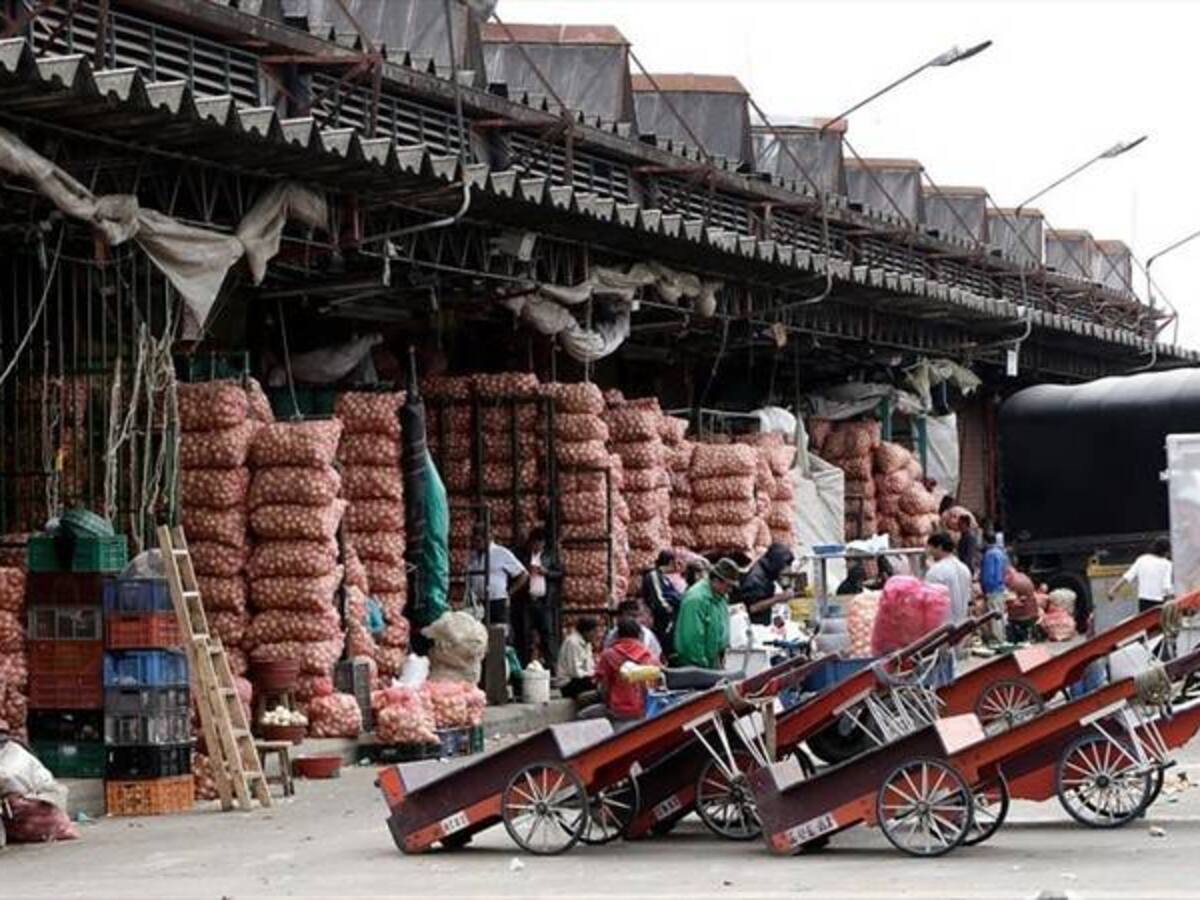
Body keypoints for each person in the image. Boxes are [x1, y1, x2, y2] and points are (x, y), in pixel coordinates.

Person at [673, 558, 744, 669]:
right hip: (696, 665)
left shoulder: (721, 596)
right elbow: (692, 639)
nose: (730, 590)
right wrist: (703, 665)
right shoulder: (696, 600)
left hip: (714, 659)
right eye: (728, 585)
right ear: (716, 580)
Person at [595, 617, 660, 721]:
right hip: (645, 710)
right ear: (639, 635)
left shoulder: (608, 655)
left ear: (617, 635)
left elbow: (604, 686)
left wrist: (607, 703)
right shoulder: (649, 655)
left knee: (583, 715)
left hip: (617, 710)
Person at [467, 524, 528, 628]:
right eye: (475, 541)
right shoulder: (473, 556)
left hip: (497, 601)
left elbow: (523, 574)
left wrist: (508, 593)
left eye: (479, 540)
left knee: (497, 634)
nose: (476, 544)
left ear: (488, 538)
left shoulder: (501, 553)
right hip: (478, 602)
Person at [514, 529, 554, 667]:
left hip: (543, 602)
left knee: (547, 635)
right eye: (535, 544)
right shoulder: (522, 555)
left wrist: (546, 572)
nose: (538, 548)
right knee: (525, 635)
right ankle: (524, 665)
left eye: (541, 545)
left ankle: (550, 666)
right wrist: (527, 570)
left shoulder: (549, 556)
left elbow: (560, 572)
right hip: (526, 601)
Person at [1110, 538, 1174, 613]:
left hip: (1143, 601)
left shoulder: (1142, 559)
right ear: (1166, 552)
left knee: (1144, 623)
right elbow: (1166, 585)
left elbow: (1127, 576)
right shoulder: (1167, 564)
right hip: (1159, 602)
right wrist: (1172, 599)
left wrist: (1113, 590)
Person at [738, 543, 796, 625]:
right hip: (754, 624)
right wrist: (778, 598)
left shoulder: (767, 570)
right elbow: (752, 608)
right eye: (784, 566)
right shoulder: (755, 578)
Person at [925, 532, 972, 626]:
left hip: (943, 628)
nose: (929, 552)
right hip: (961, 625)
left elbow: (929, 602)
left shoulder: (936, 571)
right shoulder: (964, 568)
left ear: (939, 547)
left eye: (930, 548)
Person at [641, 550, 683, 649]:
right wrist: (670, 611)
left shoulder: (664, 578)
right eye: (676, 563)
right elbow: (658, 598)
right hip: (660, 619)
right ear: (670, 562)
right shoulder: (654, 576)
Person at [556, 616, 598, 700]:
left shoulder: (587, 643)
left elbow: (590, 666)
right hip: (569, 684)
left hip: (581, 679)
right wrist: (592, 677)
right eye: (594, 632)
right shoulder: (573, 643)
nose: (596, 635)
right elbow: (575, 671)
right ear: (586, 631)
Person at [979, 532, 1010, 644]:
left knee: (994, 615)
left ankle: (997, 640)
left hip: (993, 589)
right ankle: (1002, 637)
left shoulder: (989, 554)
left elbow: (989, 574)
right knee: (1000, 614)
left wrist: (986, 590)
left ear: (985, 541)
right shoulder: (1001, 553)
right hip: (1001, 587)